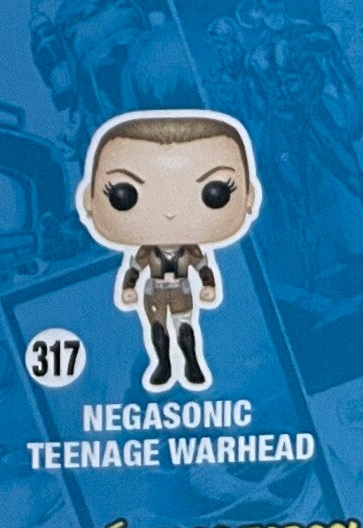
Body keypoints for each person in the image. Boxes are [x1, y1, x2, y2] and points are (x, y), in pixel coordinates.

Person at [77, 110, 261, 391]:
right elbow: (134, 269)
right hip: (154, 292)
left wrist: (209, 286)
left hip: (182, 290)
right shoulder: (146, 251)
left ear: (249, 197)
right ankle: (163, 365)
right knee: (158, 330)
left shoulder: (192, 249)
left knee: (184, 328)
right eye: (123, 195)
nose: (170, 213)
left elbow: (203, 267)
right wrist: (129, 288)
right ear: (88, 201)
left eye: (215, 193)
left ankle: (192, 363)